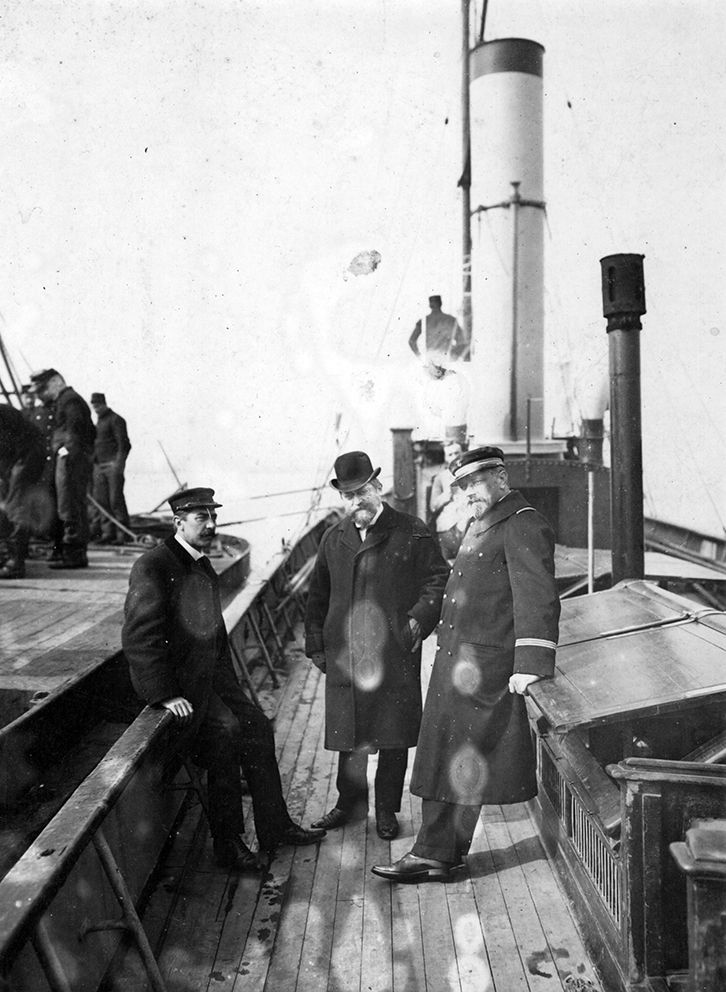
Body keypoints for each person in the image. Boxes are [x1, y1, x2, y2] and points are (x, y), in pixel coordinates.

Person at [372, 446, 560, 883]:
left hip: (485, 670)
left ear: (501, 478)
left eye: (475, 483)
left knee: (454, 758)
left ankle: (434, 853)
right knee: (449, 758)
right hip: (460, 662)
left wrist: (531, 664)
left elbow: (538, 598)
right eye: (463, 486)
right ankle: (442, 853)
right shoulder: (485, 521)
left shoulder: (522, 522)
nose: (468, 493)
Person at [121, 486, 326, 871]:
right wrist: (164, 694)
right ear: (179, 522)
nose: (211, 525)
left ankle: (275, 826)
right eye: (201, 518)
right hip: (182, 692)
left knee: (258, 726)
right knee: (226, 734)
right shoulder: (153, 566)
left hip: (211, 684)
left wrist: (230, 689)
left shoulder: (200, 565)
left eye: (213, 517)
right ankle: (227, 843)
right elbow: (139, 639)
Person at [305, 451, 448, 840]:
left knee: (392, 736)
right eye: (349, 496)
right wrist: (317, 646)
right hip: (346, 654)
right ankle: (349, 804)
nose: (357, 502)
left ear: (378, 487)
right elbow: (317, 596)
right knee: (350, 735)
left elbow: (438, 579)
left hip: (394, 652)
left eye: (362, 492)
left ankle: (386, 809)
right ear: (342, 498)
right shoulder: (333, 539)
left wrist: (417, 620)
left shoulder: (412, 530)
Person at [28, 368, 95, 569]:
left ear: (56, 382)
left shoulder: (69, 400)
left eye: (43, 388)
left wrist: (67, 451)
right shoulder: (64, 400)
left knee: (70, 505)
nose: (41, 394)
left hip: (70, 461)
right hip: (70, 459)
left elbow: (76, 429)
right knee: (67, 504)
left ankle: (74, 555)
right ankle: (71, 552)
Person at [0, 403, 48, 578]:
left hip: (27, 455)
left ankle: (15, 563)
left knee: (16, 505)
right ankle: (9, 555)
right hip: (17, 455)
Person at [90, 392, 131, 544]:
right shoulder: (99, 422)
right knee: (102, 501)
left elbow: (124, 445)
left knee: (115, 500)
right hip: (99, 467)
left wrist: (118, 464)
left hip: (112, 467)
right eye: (94, 406)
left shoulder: (116, 420)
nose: (96, 408)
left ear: (104, 404)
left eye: (98, 405)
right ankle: (108, 534)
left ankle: (122, 534)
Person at [428, 439, 466, 563]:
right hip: (447, 525)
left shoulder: (470, 474)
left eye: (457, 453)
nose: (454, 457)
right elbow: (433, 506)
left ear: (462, 454)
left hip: (467, 521)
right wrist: (446, 494)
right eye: (450, 454)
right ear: (446, 458)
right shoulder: (441, 478)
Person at [408, 295, 471, 369]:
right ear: (441, 303)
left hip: (430, 362)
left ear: (430, 305)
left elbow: (411, 341)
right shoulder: (451, 320)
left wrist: (420, 357)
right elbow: (462, 342)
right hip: (446, 360)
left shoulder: (424, 321)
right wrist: (454, 357)